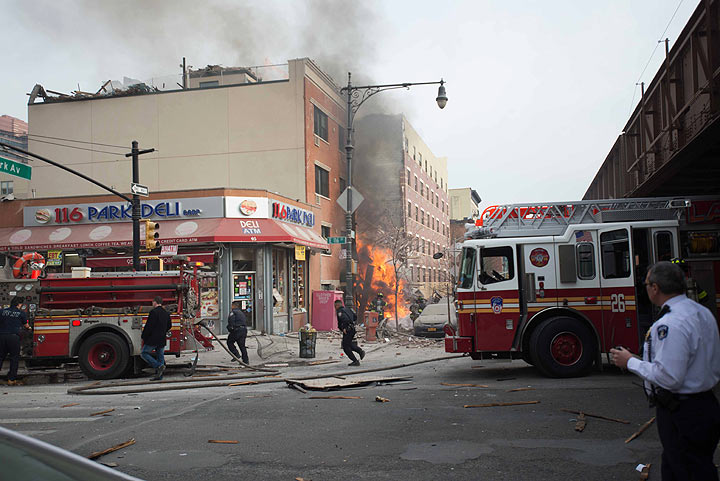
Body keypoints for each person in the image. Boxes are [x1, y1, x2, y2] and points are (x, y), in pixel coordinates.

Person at [611, 261, 720, 481]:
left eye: (646, 284)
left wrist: (630, 361)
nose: (646, 288)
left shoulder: (671, 323)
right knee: (686, 466)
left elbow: (669, 377)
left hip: (682, 411)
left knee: (686, 470)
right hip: (705, 405)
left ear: (655, 288)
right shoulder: (702, 313)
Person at [0, 297, 30, 386]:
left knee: (0, 357)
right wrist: (29, 328)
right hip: (13, 338)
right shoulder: (21, 313)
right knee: (14, 358)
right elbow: (26, 326)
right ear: (19, 304)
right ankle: (11, 379)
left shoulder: (2, 311)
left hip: (1, 336)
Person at [141, 296, 171, 381]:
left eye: (152, 302)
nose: (152, 304)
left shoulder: (153, 312)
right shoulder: (166, 313)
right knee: (160, 356)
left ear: (155, 302)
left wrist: (144, 336)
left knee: (144, 353)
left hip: (153, 338)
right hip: (162, 338)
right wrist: (163, 331)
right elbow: (169, 325)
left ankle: (158, 366)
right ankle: (159, 376)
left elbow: (149, 327)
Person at [334, 300, 365, 366]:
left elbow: (344, 319)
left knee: (345, 346)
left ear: (337, 305)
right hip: (352, 329)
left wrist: (344, 327)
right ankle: (360, 351)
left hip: (347, 330)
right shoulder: (348, 309)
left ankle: (355, 361)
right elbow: (355, 317)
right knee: (348, 343)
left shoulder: (340, 311)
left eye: (335, 306)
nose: (335, 308)